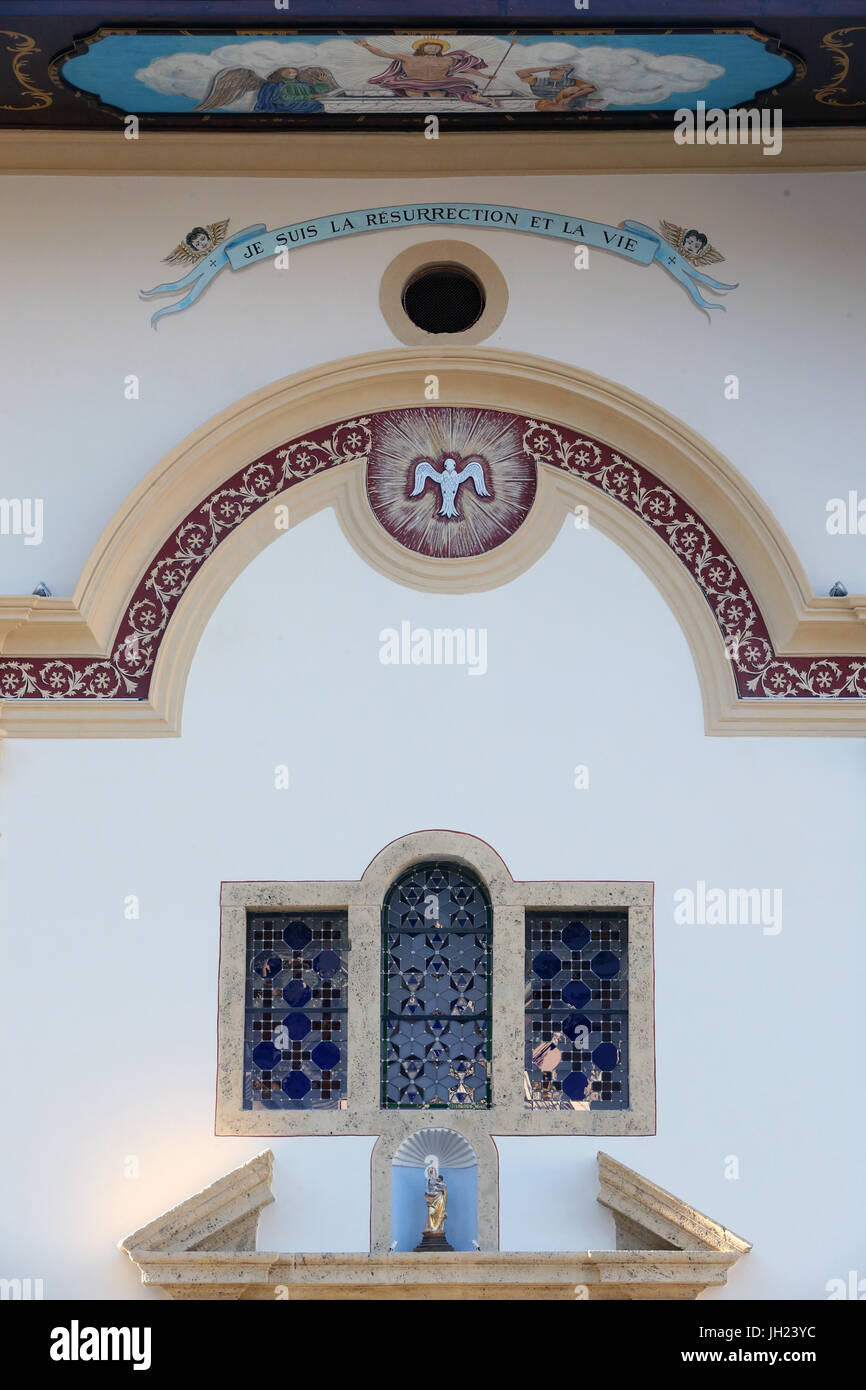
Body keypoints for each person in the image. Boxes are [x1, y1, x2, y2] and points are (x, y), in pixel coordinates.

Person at [354, 36, 497, 106]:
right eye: (430, 46)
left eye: (437, 47)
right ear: (422, 48)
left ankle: (479, 99)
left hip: (441, 82)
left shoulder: (448, 60)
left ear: (441, 49)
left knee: (466, 84)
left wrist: (484, 75)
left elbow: (466, 68)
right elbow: (382, 53)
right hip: (412, 83)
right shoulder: (407, 57)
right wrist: (366, 45)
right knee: (414, 94)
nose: (434, 48)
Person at [516, 63, 601, 111]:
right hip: (546, 103)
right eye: (554, 70)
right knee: (557, 109)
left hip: (567, 101)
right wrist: (550, 67)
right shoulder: (538, 81)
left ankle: (580, 108)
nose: (555, 71)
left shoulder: (572, 82)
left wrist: (571, 97)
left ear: (564, 73)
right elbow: (520, 72)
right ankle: (580, 109)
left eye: (560, 70)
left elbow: (591, 88)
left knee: (571, 89)